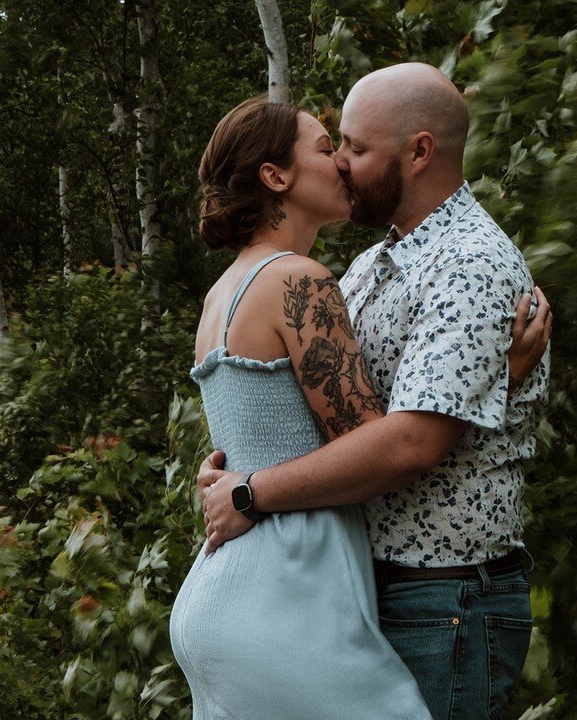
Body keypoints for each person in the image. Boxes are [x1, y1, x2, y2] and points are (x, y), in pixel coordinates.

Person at [172, 89, 549, 718]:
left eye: (352, 146)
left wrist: (238, 485)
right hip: (292, 590)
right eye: (330, 147)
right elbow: (384, 441)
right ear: (275, 177)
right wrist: (500, 372)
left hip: (249, 590)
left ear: (419, 151)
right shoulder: (316, 278)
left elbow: (290, 430)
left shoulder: (228, 291)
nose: (342, 162)